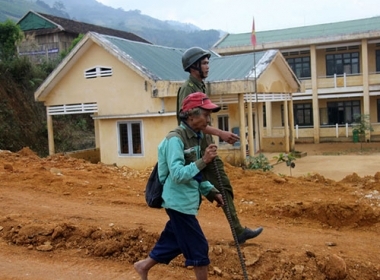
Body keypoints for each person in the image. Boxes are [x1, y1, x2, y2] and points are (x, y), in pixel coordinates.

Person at [134, 92, 225, 280]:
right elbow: (177, 175)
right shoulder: (175, 139)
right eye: (205, 114)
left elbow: (195, 174)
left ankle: (143, 266)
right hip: (177, 203)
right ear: (191, 116)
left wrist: (210, 192)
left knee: (173, 240)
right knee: (199, 248)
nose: (209, 118)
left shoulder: (195, 137)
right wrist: (204, 160)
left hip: (187, 202)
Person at [177, 47, 263, 244]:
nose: (208, 66)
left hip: (204, 148)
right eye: (204, 63)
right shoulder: (189, 89)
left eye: (208, 62)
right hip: (196, 151)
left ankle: (233, 230)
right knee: (205, 190)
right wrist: (221, 133)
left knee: (212, 189)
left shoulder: (200, 86)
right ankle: (183, 234)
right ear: (193, 67)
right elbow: (191, 122)